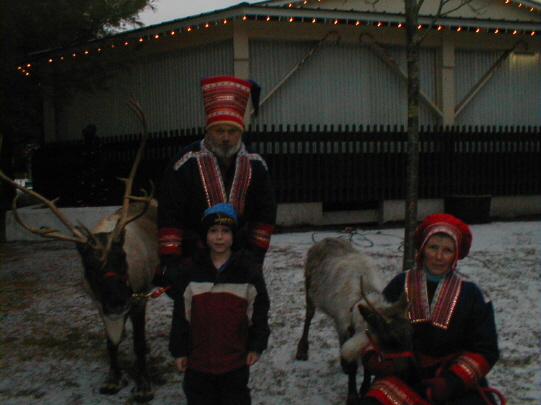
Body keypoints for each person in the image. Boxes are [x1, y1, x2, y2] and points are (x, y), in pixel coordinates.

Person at [360, 213, 503, 405]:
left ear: (456, 254)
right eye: (433, 247)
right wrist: (373, 359)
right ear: (422, 248)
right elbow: (374, 329)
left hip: (452, 380)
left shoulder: (473, 294)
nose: (438, 256)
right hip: (403, 375)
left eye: (447, 250)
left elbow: (486, 349)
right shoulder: (400, 284)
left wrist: (451, 382)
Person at [155, 75, 276, 287]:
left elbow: (265, 214)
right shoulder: (184, 163)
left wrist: (255, 258)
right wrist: (171, 263)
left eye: (232, 131)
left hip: (239, 258)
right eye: (219, 131)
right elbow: (169, 214)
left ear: (240, 132)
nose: (226, 137)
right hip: (192, 258)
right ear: (208, 131)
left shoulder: (256, 164)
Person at [169, 203, 271, 405]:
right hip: (198, 363)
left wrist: (256, 346)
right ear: (205, 235)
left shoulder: (247, 271)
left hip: (234, 362)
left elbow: (258, 311)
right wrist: (179, 350)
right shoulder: (190, 273)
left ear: (234, 236)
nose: (219, 237)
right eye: (213, 231)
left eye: (225, 231)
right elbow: (181, 315)